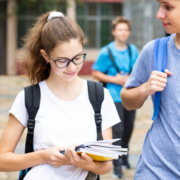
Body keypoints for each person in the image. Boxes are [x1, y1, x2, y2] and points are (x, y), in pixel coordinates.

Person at [0, 11, 120, 180]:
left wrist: (82, 162)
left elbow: (106, 167)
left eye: (78, 57)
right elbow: (2, 160)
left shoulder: (100, 95)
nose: (72, 67)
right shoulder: (29, 98)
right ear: (45, 56)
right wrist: (42, 156)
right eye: (62, 61)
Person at [121, 0, 180, 179]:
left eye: (168, 7)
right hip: (155, 170)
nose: (159, 14)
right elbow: (126, 100)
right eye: (159, 6)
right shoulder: (154, 50)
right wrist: (145, 88)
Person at [92, 16, 139, 178]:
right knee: (117, 130)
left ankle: (124, 156)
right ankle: (116, 165)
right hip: (114, 97)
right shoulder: (107, 51)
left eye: (126, 30)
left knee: (129, 127)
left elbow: (137, 71)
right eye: (120, 29)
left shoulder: (133, 50)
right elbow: (95, 72)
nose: (123, 33)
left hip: (130, 95)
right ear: (113, 31)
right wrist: (115, 79)